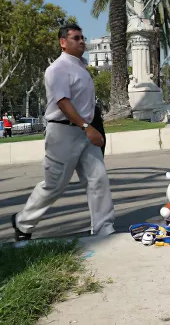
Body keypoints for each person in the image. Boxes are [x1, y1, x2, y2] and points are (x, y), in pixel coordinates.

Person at [11, 23, 115, 241]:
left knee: (98, 179)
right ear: (63, 42)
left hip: (85, 131)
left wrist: (92, 127)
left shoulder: (81, 68)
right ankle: (23, 222)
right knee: (54, 185)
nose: (81, 41)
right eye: (76, 38)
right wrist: (87, 128)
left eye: (82, 37)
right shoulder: (58, 69)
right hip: (63, 133)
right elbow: (63, 103)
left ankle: (104, 228)